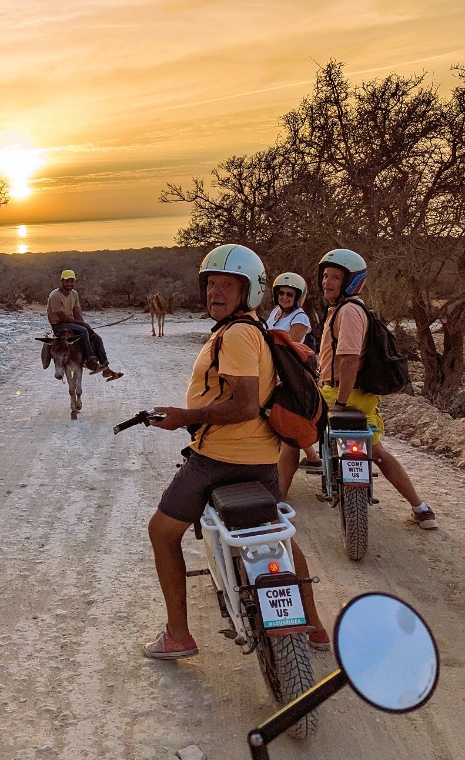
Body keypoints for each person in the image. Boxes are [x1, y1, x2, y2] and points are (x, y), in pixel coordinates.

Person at [144, 244, 328, 660]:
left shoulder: (238, 334)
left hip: (217, 462)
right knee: (276, 535)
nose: (215, 292)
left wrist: (182, 415)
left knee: (161, 531)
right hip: (262, 463)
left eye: (227, 285)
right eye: (210, 284)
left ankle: (177, 635)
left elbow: (244, 405)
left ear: (250, 291)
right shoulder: (253, 328)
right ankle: (314, 627)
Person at [315, 249, 437, 530]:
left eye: (335, 277)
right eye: (325, 277)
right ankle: (421, 508)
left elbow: (349, 359)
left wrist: (341, 402)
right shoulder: (352, 309)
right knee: (377, 452)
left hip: (341, 393)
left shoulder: (347, 312)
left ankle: (277, 503)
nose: (327, 282)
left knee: (292, 434)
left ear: (351, 281)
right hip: (362, 396)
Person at [267, 271, 321, 491]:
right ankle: (313, 457)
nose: (285, 297)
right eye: (281, 293)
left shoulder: (300, 318)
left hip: (291, 371)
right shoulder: (276, 313)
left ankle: (277, 479)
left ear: (298, 297)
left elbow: (290, 344)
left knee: (284, 416)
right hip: (274, 367)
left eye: (290, 294)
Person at [46, 270, 123, 381]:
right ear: (61, 281)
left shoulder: (74, 294)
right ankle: (90, 361)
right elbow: (62, 317)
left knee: (96, 337)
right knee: (82, 330)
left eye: (72, 281)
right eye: (67, 281)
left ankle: (105, 368)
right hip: (58, 325)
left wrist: (87, 326)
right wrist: (82, 325)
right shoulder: (55, 295)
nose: (69, 284)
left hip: (72, 323)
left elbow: (77, 312)